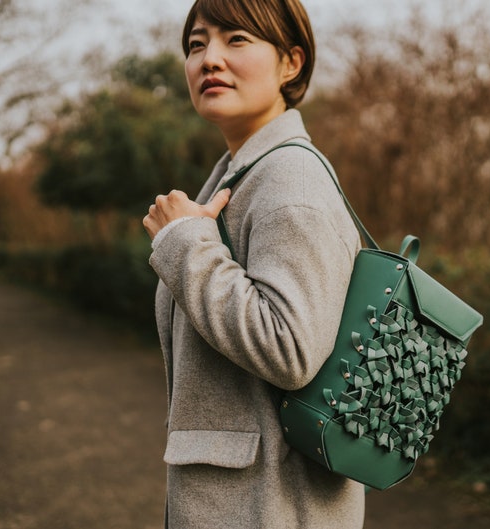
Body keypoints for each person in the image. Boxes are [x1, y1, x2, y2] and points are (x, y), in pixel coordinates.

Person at [142, 0, 365, 527]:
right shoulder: (242, 175)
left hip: (271, 507)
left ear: (291, 62)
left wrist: (183, 242)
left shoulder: (291, 181)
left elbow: (290, 348)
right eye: (197, 45)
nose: (209, 59)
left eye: (236, 39)